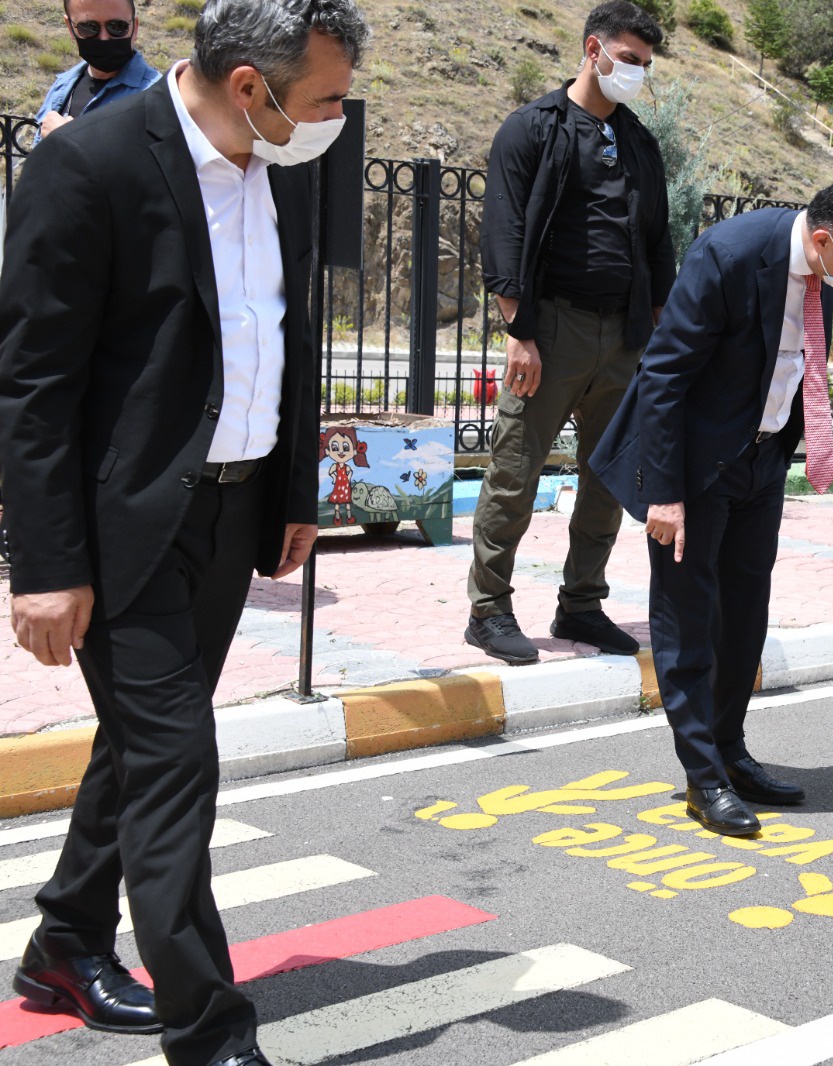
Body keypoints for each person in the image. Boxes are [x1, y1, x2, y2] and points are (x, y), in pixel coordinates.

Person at [0, 0, 369, 1062]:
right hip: (125, 530)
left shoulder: (277, 165)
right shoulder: (93, 167)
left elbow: (282, 334)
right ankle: (208, 1030)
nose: (339, 116)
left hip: (234, 506)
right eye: (327, 97)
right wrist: (46, 563)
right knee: (176, 764)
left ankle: (65, 942)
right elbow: (32, 384)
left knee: (141, 746)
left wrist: (295, 490)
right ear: (250, 86)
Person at [592, 179, 833, 836]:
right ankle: (703, 778)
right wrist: (666, 492)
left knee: (743, 618)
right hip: (695, 466)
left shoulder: (817, 268)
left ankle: (730, 751)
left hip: (761, 460)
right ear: (824, 240)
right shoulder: (730, 254)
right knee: (686, 619)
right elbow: (665, 376)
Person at [467, 0, 674, 664]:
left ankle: (581, 605)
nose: (636, 72)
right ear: (594, 50)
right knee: (514, 472)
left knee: (608, 477)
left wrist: (659, 332)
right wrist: (518, 331)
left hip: (625, 336)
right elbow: (502, 231)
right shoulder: (532, 129)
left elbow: (658, 240)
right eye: (628, 59)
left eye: (645, 64)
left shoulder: (639, 141)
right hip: (550, 329)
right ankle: (489, 610)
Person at [34, 0, 161, 142]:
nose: (104, 37)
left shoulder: (157, 98)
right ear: (70, 28)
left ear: (135, 27)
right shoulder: (62, 85)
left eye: (117, 26)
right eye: (88, 27)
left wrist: (69, 141)